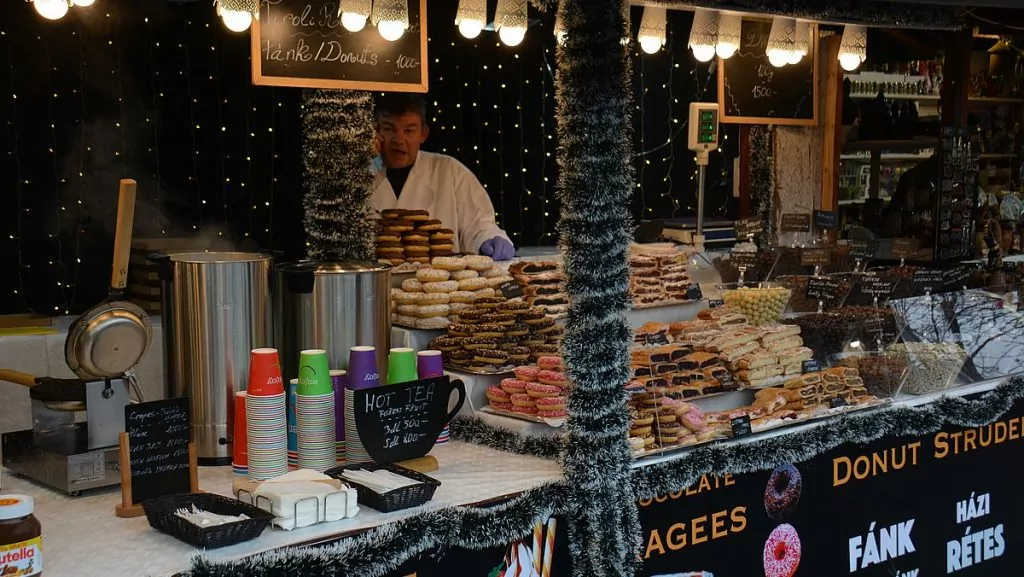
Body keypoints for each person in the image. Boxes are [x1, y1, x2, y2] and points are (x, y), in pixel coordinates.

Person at [370, 94, 516, 260]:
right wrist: (359, 161)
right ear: (376, 131)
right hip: (372, 282)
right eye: (389, 129)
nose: (398, 139)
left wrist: (489, 239)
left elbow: (479, 225)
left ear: (423, 134)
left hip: (438, 280)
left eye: (409, 130)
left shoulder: (450, 171)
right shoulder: (359, 173)